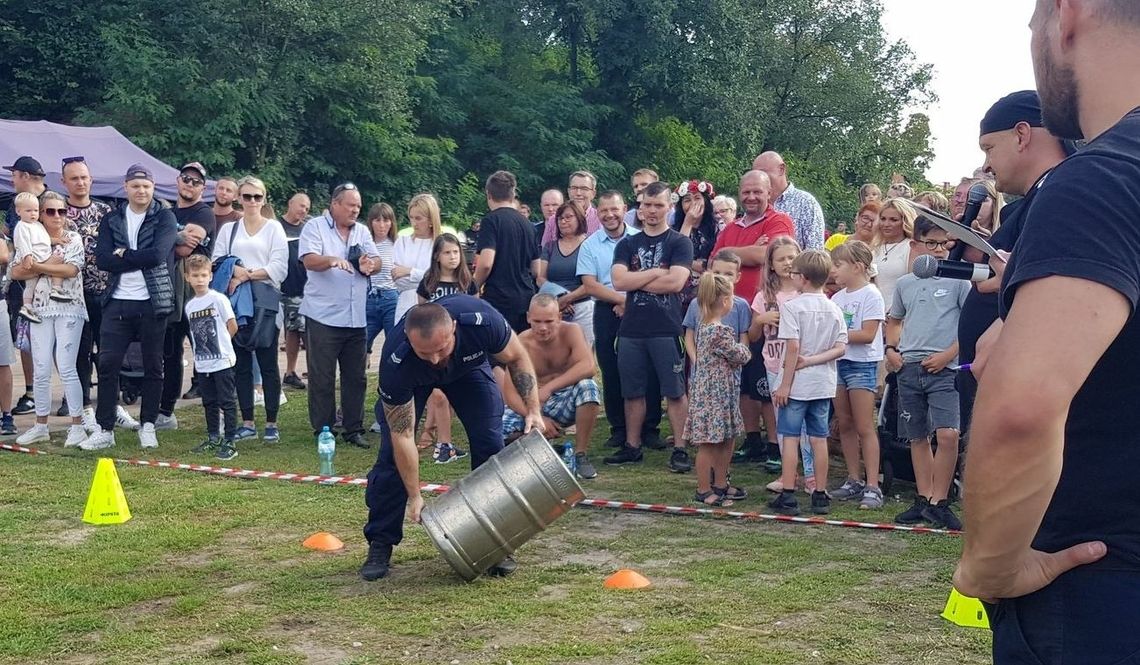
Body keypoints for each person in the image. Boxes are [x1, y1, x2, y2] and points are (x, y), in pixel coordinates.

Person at [952, 3, 1140, 659]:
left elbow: (1023, 408)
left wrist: (989, 566)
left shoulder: (1100, 180)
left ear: (1068, 15)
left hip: (1101, 593)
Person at [361, 297, 544, 581]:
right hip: (414, 382)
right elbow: (403, 435)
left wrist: (533, 410)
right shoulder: (396, 362)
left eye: (441, 348)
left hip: (469, 371)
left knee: (490, 444)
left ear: (455, 329)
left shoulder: (483, 323)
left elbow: (517, 358)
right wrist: (415, 495)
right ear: (410, 341)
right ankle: (380, 543)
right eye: (426, 352)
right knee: (389, 459)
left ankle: (496, 544)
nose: (435, 359)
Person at [956, 91, 1068, 438]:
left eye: (989, 148)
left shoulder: (1061, 197)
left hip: (1018, 390)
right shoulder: (1034, 202)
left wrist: (1010, 287)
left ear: (1021, 134)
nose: (986, 166)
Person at [80, 164, 177, 451]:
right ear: (126, 188)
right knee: (108, 365)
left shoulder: (164, 216)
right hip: (117, 300)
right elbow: (103, 260)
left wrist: (125, 254)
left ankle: (147, 425)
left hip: (152, 301)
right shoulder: (112, 219)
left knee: (153, 365)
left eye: (146, 186)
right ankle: (105, 428)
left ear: (153, 187)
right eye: (136, 186)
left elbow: (158, 255)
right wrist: (133, 257)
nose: (141, 191)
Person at [884, 217, 971, 529]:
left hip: (945, 369)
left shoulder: (959, 281)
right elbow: (894, 320)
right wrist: (892, 350)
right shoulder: (906, 284)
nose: (939, 251)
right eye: (931, 243)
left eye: (944, 243)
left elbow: (968, 327)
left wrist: (948, 355)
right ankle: (924, 499)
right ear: (915, 245)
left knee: (948, 435)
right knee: (917, 436)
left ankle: (940, 499)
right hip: (910, 367)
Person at [604, 181, 694, 473]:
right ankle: (632, 445)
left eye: (658, 205)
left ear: (669, 207)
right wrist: (656, 272)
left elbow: (676, 282)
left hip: (666, 327)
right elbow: (619, 281)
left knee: (675, 391)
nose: (652, 211)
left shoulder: (679, 242)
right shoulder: (627, 243)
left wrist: (639, 277)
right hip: (631, 328)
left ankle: (680, 447)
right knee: (632, 391)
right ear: (639, 209)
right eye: (646, 205)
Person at [711, 170, 795, 464]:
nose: (751, 197)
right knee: (745, 382)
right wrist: (748, 250)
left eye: (757, 191)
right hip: (732, 313)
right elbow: (715, 259)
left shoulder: (779, 221)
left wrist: (734, 251)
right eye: (745, 191)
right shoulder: (730, 226)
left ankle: (775, 444)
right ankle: (753, 440)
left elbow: (765, 257)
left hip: (765, 311)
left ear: (769, 192)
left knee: (765, 384)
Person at [576, 190, 664, 450]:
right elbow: (589, 285)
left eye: (614, 209)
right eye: (603, 210)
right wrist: (621, 300)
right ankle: (618, 428)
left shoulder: (641, 238)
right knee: (611, 368)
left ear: (624, 208)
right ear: (598, 213)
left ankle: (649, 428)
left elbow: (652, 275)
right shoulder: (590, 244)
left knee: (647, 368)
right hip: (607, 311)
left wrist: (630, 301)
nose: (609, 215)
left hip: (643, 306)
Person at [299, 183, 380, 449]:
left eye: (358, 206)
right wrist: (331, 259)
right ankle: (324, 428)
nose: (355, 210)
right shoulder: (315, 227)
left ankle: (353, 428)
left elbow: (376, 260)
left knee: (356, 376)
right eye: (350, 205)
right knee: (322, 376)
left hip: (356, 316)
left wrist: (371, 264)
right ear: (335, 204)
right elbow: (308, 259)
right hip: (323, 315)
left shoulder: (363, 231)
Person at [768, 249, 847, 517]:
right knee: (818, 438)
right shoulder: (834, 307)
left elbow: (792, 347)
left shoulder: (793, 307)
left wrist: (785, 384)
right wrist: (815, 360)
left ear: (802, 278)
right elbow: (840, 348)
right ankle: (820, 493)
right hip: (823, 383)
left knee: (790, 437)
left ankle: (788, 492)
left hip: (799, 383)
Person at [211, 176, 288, 443]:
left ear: (264, 199)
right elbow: (217, 261)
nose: (252, 201)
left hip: (265, 301)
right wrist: (235, 271)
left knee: (268, 363)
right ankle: (247, 421)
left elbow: (280, 267)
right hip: (236, 302)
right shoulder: (229, 229)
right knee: (241, 363)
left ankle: (271, 422)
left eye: (257, 196)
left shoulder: (274, 228)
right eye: (247, 196)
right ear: (239, 199)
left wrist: (246, 274)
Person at [12, 192, 87, 448]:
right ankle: (40, 425)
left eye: (61, 211)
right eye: (50, 211)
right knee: (41, 368)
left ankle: (77, 425)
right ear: (40, 213)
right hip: (39, 309)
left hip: (69, 307)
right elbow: (15, 270)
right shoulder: (29, 234)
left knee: (67, 366)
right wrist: (48, 262)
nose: (57, 216)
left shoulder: (73, 237)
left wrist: (38, 266)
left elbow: (71, 269)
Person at [498, 293, 601, 479]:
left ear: (559, 318)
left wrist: (549, 387)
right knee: (497, 436)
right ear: (529, 317)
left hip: (563, 400)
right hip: (532, 404)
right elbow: (510, 393)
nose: (543, 328)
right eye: (537, 321)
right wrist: (535, 415)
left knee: (589, 387)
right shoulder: (521, 342)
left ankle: (580, 454)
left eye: (549, 321)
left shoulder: (572, 331)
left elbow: (588, 366)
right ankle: (540, 450)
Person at [827, 240, 885, 509]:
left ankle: (873, 484)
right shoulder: (837, 298)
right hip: (840, 363)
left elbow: (867, 334)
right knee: (845, 422)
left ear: (858, 267)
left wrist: (836, 336)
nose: (833, 270)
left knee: (864, 426)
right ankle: (853, 478)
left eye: (837, 265)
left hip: (862, 365)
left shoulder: (871, 294)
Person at [685, 271, 752, 506]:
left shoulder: (704, 328)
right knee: (709, 443)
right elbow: (739, 355)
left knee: (727, 438)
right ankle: (704, 488)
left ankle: (721, 483)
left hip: (722, 392)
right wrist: (744, 350)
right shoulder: (719, 331)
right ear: (725, 301)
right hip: (714, 395)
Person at [158, 162, 217, 425]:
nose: (189, 184)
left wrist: (168, 238)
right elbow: (171, 245)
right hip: (171, 292)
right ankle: (166, 413)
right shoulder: (167, 211)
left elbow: (184, 250)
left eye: (196, 181)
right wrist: (176, 237)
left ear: (203, 188)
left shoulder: (205, 213)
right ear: (178, 181)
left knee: (207, 354)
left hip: (197, 293)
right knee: (170, 354)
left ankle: (217, 415)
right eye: (186, 179)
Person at [749, 237, 811, 486]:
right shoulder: (764, 296)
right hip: (774, 364)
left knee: (807, 423)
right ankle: (789, 474)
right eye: (781, 258)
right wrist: (760, 320)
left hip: (802, 364)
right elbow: (753, 336)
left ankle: (811, 473)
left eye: (791, 257)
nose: (787, 263)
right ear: (771, 265)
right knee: (783, 421)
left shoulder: (807, 292)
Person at [62, 156, 112, 428]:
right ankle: (84, 408)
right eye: (74, 178)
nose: (80, 182)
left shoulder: (106, 211)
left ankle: (110, 407)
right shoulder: (57, 212)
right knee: (79, 354)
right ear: (64, 182)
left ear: (91, 179)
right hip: (72, 296)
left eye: (83, 177)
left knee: (108, 353)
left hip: (105, 293)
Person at [415, 233, 474, 462]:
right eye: (447, 253)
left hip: (458, 346)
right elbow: (420, 312)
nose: (453, 257)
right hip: (435, 348)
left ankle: (436, 437)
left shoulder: (467, 282)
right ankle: (443, 444)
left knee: (450, 395)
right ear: (437, 256)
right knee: (438, 395)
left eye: (456, 252)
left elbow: (475, 310)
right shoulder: (429, 282)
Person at [180, 254, 239, 460]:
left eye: (203, 275)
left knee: (227, 400)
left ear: (210, 276)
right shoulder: (189, 306)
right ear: (187, 277)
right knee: (209, 401)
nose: (199, 279)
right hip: (203, 363)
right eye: (195, 275)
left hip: (222, 360)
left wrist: (223, 345)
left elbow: (232, 325)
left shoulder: (218, 299)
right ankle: (213, 436)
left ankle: (230, 439)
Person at [4, 156, 46, 416]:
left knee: (58, 340)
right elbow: (10, 238)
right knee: (26, 338)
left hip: (49, 279)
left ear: (26, 176)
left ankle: (69, 394)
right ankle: (31, 392)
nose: (12, 179)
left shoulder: (52, 202)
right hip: (22, 281)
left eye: (15, 175)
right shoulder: (14, 204)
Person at [474, 171, 539, 332]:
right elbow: (536, 269)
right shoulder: (529, 225)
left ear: (488, 194)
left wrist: (473, 287)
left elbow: (486, 264)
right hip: (526, 298)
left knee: (499, 352)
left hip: (499, 299)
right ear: (513, 194)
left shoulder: (491, 221)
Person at [537, 201, 594, 347]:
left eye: (569, 217)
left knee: (583, 354)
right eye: (560, 218)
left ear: (579, 218)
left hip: (583, 307)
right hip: (554, 307)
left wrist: (568, 298)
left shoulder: (590, 245)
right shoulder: (550, 247)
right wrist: (559, 296)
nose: (563, 221)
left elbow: (592, 282)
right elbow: (540, 278)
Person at [11, 192, 67, 323]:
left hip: (43, 255)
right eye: (28, 210)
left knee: (55, 266)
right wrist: (27, 256)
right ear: (18, 211)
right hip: (33, 257)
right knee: (30, 285)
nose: (32, 214)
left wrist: (57, 240)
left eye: (35, 210)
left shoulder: (38, 225)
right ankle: (27, 305)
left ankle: (55, 289)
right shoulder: (21, 226)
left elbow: (45, 239)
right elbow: (22, 242)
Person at [753, 151, 826, 250]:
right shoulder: (754, 204)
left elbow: (814, 252)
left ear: (781, 170)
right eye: (755, 175)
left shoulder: (806, 203)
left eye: (763, 174)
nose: (759, 180)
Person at [278, 192, 311, 389]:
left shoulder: (307, 229)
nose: (304, 211)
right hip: (283, 287)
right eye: (301, 206)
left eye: (307, 208)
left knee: (303, 330)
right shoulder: (276, 226)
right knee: (293, 331)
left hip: (304, 288)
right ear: (290, 203)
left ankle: (307, 371)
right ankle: (290, 372)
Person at [391, 194, 440, 324]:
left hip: (433, 306)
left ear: (431, 220)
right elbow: (397, 278)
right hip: (405, 305)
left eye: (418, 218)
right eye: (411, 217)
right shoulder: (402, 242)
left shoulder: (440, 245)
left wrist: (409, 271)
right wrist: (423, 275)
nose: (414, 223)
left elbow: (439, 278)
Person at [671, 180, 720, 311]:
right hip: (679, 294)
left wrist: (688, 263)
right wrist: (687, 224)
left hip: (709, 293)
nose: (693, 204)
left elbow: (715, 264)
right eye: (687, 200)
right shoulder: (672, 231)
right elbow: (674, 259)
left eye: (697, 198)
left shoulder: (719, 228)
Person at [364, 203, 399, 359]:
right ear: (371, 222)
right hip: (369, 297)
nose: (382, 225)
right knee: (361, 341)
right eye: (377, 220)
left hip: (390, 296)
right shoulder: (365, 244)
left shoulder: (397, 244)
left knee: (393, 342)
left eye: (386, 220)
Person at [870, 198, 917, 310]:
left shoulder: (911, 247)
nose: (886, 224)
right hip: (876, 313)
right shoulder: (874, 249)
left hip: (901, 313)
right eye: (883, 219)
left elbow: (913, 284)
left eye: (893, 220)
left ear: (905, 221)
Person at [541, 171, 601, 246]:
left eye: (584, 188)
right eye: (574, 188)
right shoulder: (553, 221)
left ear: (593, 194)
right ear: (568, 191)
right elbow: (545, 252)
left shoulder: (600, 221)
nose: (578, 193)